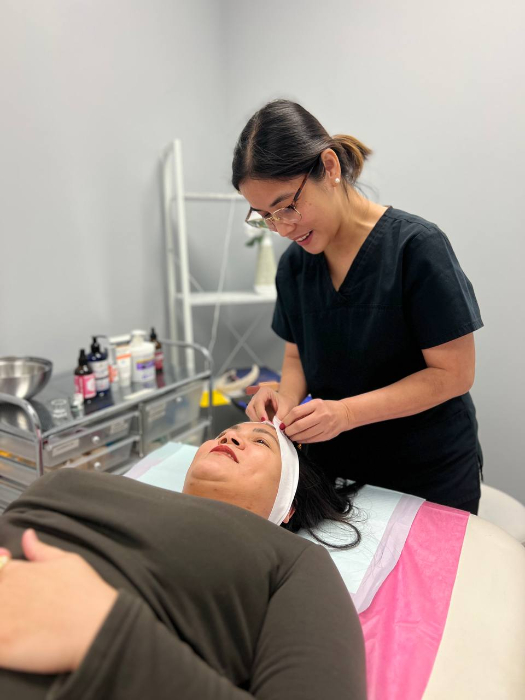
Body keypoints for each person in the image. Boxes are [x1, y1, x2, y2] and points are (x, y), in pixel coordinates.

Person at [234, 99, 484, 514]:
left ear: (329, 167)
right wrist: (285, 398)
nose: (282, 228)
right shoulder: (294, 266)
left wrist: (347, 413)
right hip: (336, 467)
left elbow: (455, 374)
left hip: (428, 470)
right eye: (265, 216)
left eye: (287, 206)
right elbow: (297, 356)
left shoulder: (415, 248)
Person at [0, 420, 366, 700]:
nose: (230, 437)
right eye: (225, 432)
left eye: (261, 442)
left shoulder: (296, 560)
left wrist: (107, 639)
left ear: (289, 508)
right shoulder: (85, 483)